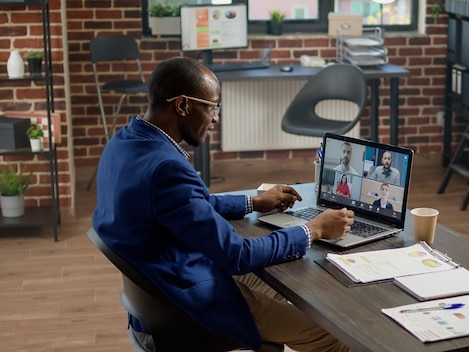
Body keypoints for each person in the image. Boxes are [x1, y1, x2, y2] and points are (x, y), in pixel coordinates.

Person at [91, 57, 354, 352]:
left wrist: (253, 202)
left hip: (158, 298)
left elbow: (183, 205)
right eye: (212, 107)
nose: (215, 118)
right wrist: (313, 230)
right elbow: (236, 255)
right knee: (332, 334)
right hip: (188, 306)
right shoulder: (166, 167)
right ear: (182, 105)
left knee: (293, 285)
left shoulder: (126, 141)